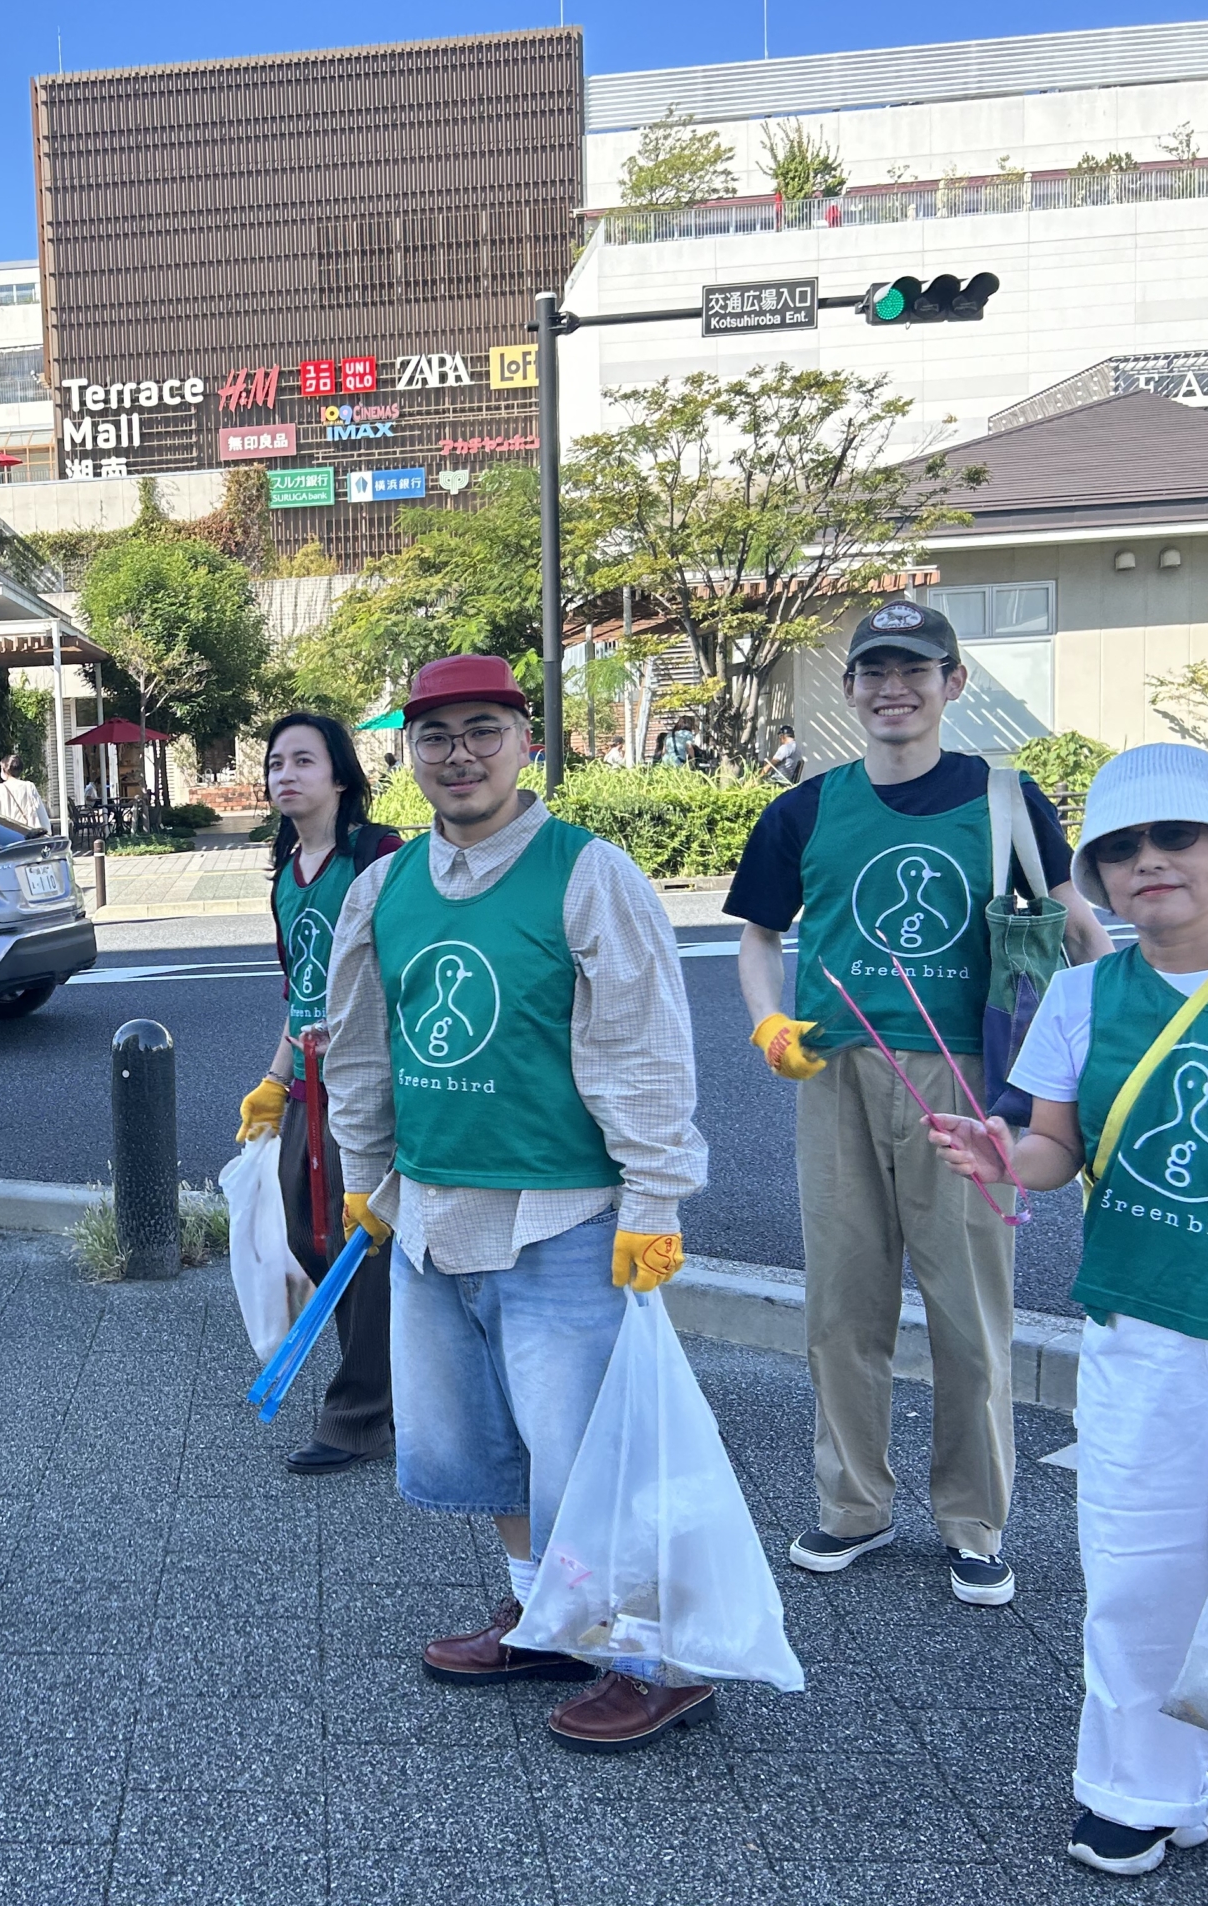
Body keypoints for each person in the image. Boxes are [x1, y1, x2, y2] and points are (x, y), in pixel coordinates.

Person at [928, 742, 1208, 1903]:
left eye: (1174, 839)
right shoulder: (1082, 995)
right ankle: (1139, 1793)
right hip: (1140, 1338)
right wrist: (1002, 1157)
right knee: (1136, 1576)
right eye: (1119, 849)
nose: (1148, 865)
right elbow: (1053, 1148)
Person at [323, 654, 714, 1755]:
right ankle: (548, 1616)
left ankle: (651, 1657)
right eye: (436, 735)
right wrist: (365, 1177)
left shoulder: (586, 873)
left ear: (525, 740)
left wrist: (654, 1196)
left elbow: (643, 1049)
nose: (459, 754)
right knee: (483, 1445)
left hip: (564, 1215)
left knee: (592, 1454)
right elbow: (358, 1047)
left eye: (482, 729)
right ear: (408, 753)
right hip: (434, 1210)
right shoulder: (382, 886)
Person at [727, 600, 1110, 1607]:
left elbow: (1077, 933)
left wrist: (1095, 1056)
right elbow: (760, 936)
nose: (892, 688)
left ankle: (974, 1521)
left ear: (953, 683)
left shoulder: (1003, 799)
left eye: (916, 670)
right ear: (850, 688)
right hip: (838, 1069)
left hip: (965, 1081)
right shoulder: (802, 811)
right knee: (840, 1302)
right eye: (872, 672)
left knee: (969, 1310)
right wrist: (769, 1022)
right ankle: (850, 1505)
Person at [234, 713, 401, 1474]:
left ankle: (360, 1416)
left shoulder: (379, 858)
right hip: (306, 1087)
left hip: (366, 1088)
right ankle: (399, 1380)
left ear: (340, 775)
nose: (285, 774)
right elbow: (296, 992)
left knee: (359, 1251)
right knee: (314, 1239)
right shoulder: (284, 877)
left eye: (304, 760)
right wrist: (272, 1082)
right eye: (275, 764)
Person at [0, 753, 49, 833]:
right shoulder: (29, 786)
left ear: (4, 770)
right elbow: (41, 814)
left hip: (7, 834)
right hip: (27, 834)